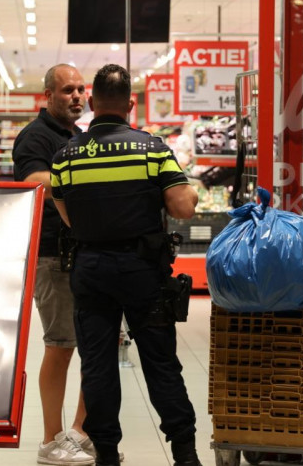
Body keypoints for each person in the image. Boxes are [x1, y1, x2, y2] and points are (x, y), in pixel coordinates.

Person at [50, 64, 203, 466]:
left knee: (97, 365)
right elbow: (184, 208)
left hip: (90, 269)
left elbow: (68, 216)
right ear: (131, 105)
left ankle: (105, 454)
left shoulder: (66, 156)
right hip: (142, 271)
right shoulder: (152, 149)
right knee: (160, 362)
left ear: (93, 104)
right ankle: (185, 453)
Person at [12, 64, 95, 465]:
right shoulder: (35, 136)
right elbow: (34, 182)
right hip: (50, 255)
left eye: (81, 89)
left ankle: (80, 432)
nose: (77, 96)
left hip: (83, 252)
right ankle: (49, 440)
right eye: (68, 90)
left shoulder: (80, 137)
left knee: (95, 345)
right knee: (61, 345)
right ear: (48, 95)